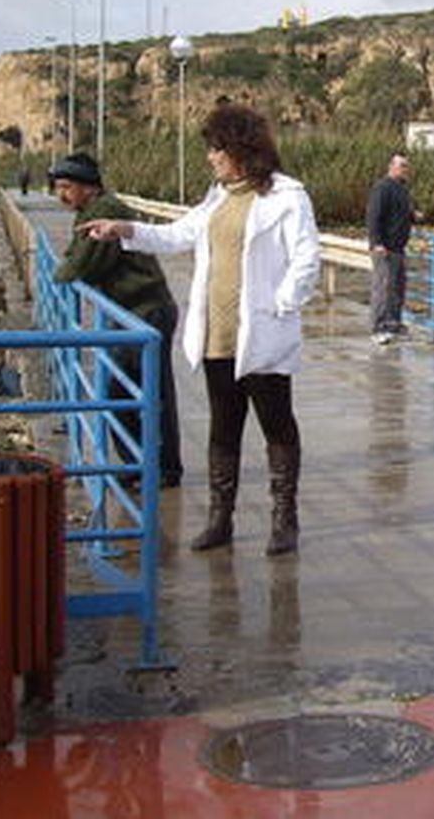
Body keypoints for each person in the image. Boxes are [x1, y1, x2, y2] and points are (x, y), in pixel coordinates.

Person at [78, 103, 321, 556]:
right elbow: (177, 235)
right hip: (218, 336)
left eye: (215, 149)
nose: (210, 158)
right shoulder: (218, 198)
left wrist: (282, 304)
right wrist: (123, 228)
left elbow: (307, 258)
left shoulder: (288, 197)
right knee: (222, 429)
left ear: (240, 148)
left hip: (262, 333)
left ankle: (284, 520)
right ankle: (219, 520)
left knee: (277, 425)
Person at [48, 152, 183, 489]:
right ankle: (143, 463)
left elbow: (79, 266)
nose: (60, 195)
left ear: (89, 188)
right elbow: (74, 258)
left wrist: (62, 272)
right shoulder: (92, 211)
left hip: (145, 311)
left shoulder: (104, 213)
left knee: (141, 392)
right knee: (127, 392)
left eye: (67, 187)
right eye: (58, 187)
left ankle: (161, 468)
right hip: (132, 312)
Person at [366, 152, 420, 346]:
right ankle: (378, 327)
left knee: (398, 288)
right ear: (392, 167)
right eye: (402, 166)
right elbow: (373, 217)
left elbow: (402, 212)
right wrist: (376, 242)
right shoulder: (382, 188)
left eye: (407, 166)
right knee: (382, 288)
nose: (406, 170)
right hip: (385, 248)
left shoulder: (402, 189)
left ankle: (394, 323)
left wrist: (414, 216)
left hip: (399, 247)